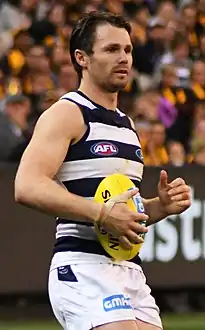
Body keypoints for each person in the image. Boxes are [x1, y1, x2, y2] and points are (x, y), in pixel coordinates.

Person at [14, 12, 191, 330]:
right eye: (111, 49)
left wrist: (159, 207)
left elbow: (120, 213)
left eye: (127, 50)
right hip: (82, 265)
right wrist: (100, 213)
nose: (124, 58)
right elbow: (27, 185)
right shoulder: (68, 113)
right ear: (82, 58)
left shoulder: (127, 125)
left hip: (129, 269)